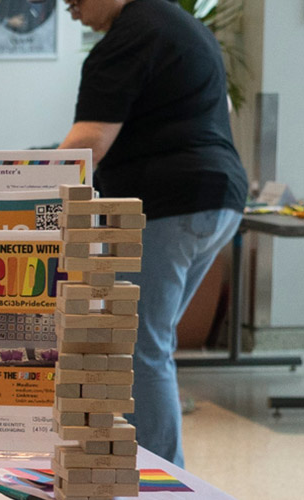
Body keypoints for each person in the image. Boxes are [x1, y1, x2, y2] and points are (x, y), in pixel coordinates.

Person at [58, 0, 247, 466]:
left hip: (170, 204)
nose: (69, 8)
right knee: (145, 342)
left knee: (136, 345)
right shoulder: (179, 23)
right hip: (217, 199)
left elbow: (89, 143)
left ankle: (160, 477)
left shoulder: (127, 38)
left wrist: (22, 186)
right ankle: (141, 466)